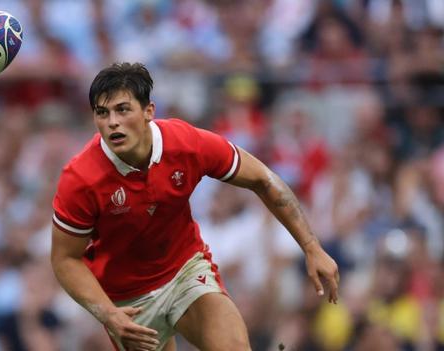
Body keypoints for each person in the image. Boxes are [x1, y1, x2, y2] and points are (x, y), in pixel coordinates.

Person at [50, 62, 339, 351]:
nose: (112, 122)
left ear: (149, 112)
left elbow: (263, 179)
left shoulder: (185, 144)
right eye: (102, 113)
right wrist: (108, 313)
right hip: (127, 301)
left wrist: (311, 246)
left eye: (123, 109)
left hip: (185, 271)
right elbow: (65, 259)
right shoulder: (80, 179)